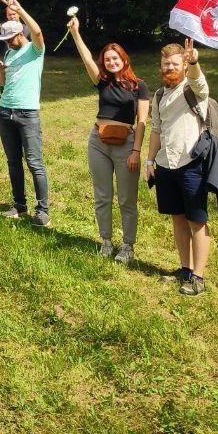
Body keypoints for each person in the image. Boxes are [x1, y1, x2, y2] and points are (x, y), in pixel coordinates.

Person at [68, 15, 148, 265]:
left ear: (124, 59)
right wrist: (75, 34)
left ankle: (128, 246)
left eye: (115, 58)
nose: (111, 62)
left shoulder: (139, 86)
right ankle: (106, 241)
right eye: (107, 59)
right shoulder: (102, 82)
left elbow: (143, 121)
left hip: (126, 144)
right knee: (102, 195)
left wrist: (136, 151)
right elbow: (86, 59)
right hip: (98, 142)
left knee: (127, 199)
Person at [147, 39, 212, 295]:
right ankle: (184, 269)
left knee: (197, 220)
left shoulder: (195, 90)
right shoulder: (160, 94)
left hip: (191, 164)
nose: (169, 68)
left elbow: (199, 81)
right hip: (165, 165)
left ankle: (198, 277)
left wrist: (194, 60)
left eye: (175, 64)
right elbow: (155, 129)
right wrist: (150, 161)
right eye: (165, 64)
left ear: (184, 65)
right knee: (177, 219)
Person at [0, 0, 51, 226]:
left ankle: (43, 210)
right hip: (5, 111)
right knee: (13, 161)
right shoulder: (9, 51)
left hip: (27, 113)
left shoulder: (35, 50)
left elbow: (37, 32)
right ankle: (19, 204)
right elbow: (5, 82)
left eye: (10, 38)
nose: (7, 42)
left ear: (20, 33)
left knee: (34, 163)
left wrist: (21, 8)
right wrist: (1, 70)